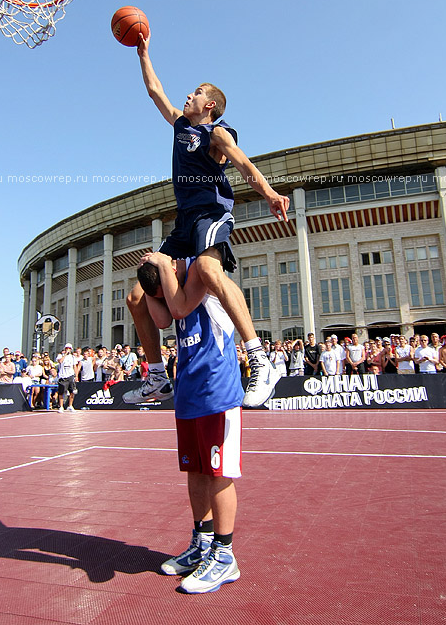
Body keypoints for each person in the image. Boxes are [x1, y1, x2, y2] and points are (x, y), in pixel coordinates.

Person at [124, 30, 290, 408]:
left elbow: (244, 163)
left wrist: (269, 194)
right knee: (137, 295)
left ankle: (261, 361)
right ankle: (157, 377)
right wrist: (142, 53)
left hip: (211, 213)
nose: (189, 95)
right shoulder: (181, 124)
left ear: (211, 104)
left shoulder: (216, 134)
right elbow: (154, 91)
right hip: (184, 220)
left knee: (210, 271)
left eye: (197, 92)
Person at [138, 251, 242, 594]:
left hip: (218, 389)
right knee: (195, 471)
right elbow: (160, 314)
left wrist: (165, 263)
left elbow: (183, 300)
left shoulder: (201, 276)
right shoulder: (170, 292)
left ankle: (225, 556)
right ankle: (202, 541)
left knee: (218, 474)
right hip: (188, 390)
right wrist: (149, 278)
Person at [56, 343, 78, 411]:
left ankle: (70, 405)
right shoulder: (60, 355)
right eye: (67, 348)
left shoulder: (73, 357)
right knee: (61, 392)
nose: (68, 349)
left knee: (72, 391)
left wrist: (76, 375)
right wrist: (65, 354)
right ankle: (61, 406)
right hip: (63, 376)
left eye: (69, 348)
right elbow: (60, 361)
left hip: (70, 376)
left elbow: (75, 366)